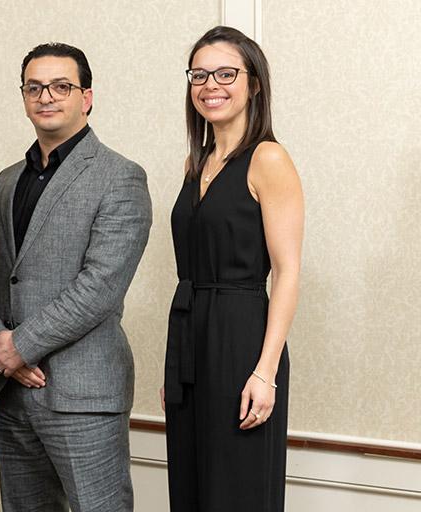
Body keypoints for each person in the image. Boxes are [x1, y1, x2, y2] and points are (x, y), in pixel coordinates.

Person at [0, 43, 152, 512]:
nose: (47, 96)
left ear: (86, 97)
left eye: (61, 86)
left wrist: (19, 346)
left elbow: (101, 287)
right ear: (24, 96)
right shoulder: (5, 181)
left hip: (84, 394)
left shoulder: (120, 177)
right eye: (35, 87)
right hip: (10, 391)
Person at [162, 25, 302, 511]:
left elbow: (286, 271)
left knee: (236, 490)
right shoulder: (194, 163)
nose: (210, 85)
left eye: (225, 73)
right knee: (191, 488)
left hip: (243, 337)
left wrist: (265, 372)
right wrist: (176, 364)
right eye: (199, 75)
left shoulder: (269, 158)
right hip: (188, 336)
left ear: (254, 83)